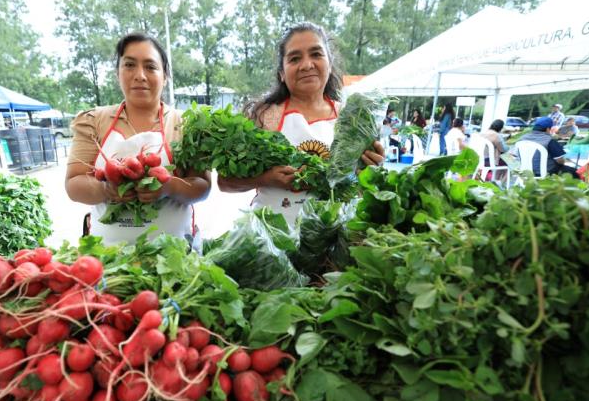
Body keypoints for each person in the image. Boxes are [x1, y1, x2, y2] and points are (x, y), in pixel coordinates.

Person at [218, 22, 384, 226]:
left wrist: (370, 170)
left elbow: (361, 188)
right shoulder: (263, 117)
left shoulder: (353, 119)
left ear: (330, 64)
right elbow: (224, 182)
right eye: (295, 58)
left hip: (331, 239)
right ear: (281, 73)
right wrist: (265, 179)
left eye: (316, 54)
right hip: (269, 241)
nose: (307, 65)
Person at [65, 32, 211, 245]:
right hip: (108, 260)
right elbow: (73, 183)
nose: (140, 75)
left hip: (176, 257)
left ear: (165, 75)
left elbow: (202, 185)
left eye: (151, 67)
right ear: (118, 73)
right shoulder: (93, 120)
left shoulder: (186, 124)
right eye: (130, 65)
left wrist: (168, 187)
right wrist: (106, 189)